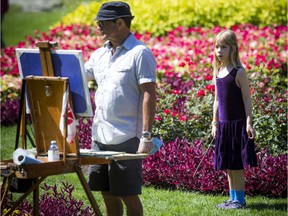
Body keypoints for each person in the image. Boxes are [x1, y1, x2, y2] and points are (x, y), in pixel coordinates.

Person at [84, 1, 157, 216]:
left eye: (102, 22)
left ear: (119, 23)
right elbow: (77, 74)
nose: (98, 27)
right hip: (100, 135)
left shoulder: (140, 53)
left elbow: (149, 94)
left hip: (126, 137)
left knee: (128, 194)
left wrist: (146, 136)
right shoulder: (99, 54)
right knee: (107, 193)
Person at [211, 29, 258, 209]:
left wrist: (248, 122)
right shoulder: (219, 71)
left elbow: (247, 99)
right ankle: (232, 198)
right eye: (216, 47)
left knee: (237, 165)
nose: (219, 51)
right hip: (224, 126)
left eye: (223, 47)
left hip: (237, 126)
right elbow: (216, 100)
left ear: (233, 49)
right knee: (229, 165)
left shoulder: (239, 72)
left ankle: (240, 200)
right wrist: (214, 123)